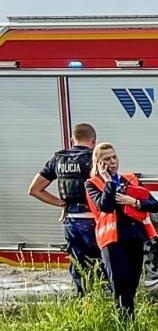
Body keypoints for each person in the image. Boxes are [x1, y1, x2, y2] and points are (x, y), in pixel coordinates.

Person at [83, 143, 157, 318]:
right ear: (99, 163)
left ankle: (130, 323)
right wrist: (108, 181)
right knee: (120, 288)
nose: (113, 162)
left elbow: (154, 204)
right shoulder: (92, 184)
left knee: (132, 286)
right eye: (107, 159)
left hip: (134, 238)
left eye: (114, 157)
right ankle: (124, 324)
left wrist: (133, 202)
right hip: (113, 242)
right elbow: (106, 206)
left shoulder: (130, 179)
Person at [27, 122, 100, 295]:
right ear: (93, 140)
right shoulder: (95, 159)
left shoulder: (58, 159)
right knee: (100, 262)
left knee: (78, 265)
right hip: (93, 221)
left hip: (71, 222)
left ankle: (83, 299)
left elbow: (34, 189)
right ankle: (102, 299)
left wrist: (61, 203)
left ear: (72, 140)